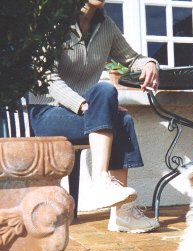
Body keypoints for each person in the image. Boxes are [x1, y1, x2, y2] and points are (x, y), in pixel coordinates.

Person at [28, 0, 160, 233]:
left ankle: (122, 214)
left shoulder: (105, 25)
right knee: (114, 113)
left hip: (86, 109)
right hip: (48, 112)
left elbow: (132, 59)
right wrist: (83, 106)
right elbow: (47, 78)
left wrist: (150, 63)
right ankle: (102, 181)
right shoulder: (52, 24)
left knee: (111, 97)